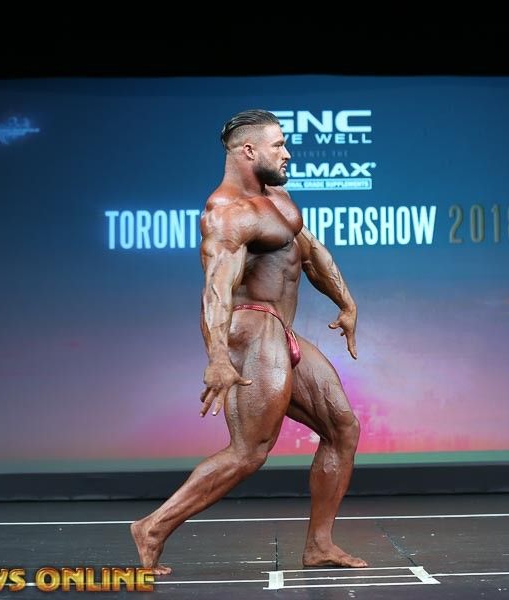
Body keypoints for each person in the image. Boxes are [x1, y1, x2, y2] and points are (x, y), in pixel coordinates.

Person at [130, 109, 367, 575]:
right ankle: (152, 527)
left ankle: (319, 545)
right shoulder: (227, 212)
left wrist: (346, 302)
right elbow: (216, 289)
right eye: (278, 145)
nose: (287, 153)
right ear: (249, 150)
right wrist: (217, 356)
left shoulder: (276, 196)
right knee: (249, 451)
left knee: (343, 428)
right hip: (253, 330)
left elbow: (309, 251)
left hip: (281, 331)